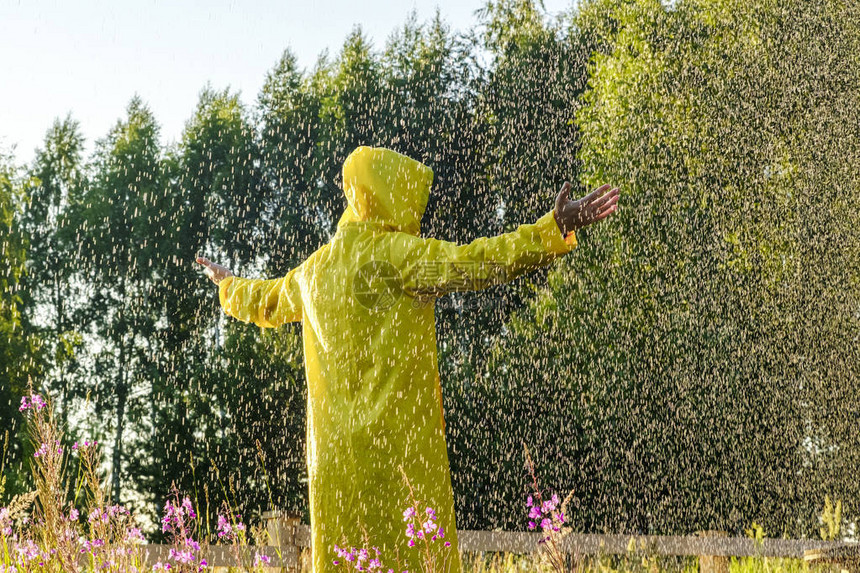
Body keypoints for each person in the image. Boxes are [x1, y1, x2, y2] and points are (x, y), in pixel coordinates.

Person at [197, 145, 619, 572]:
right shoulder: (402, 257)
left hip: (335, 462)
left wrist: (229, 285)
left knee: (349, 557)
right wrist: (551, 229)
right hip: (400, 453)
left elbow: (264, 301)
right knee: (414, 553)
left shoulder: (313, 273)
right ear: (386, 194)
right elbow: (477, 263)